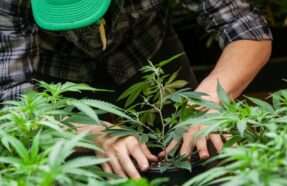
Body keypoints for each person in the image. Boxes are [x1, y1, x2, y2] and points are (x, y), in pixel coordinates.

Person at [0, 0, 272, 179]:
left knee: (197, 155)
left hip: (150, 57)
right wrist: (88, 133)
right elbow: (12, 95)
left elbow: (247, 29)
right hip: (57, 80)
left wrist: (208, 100)